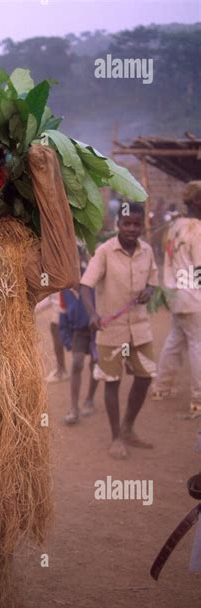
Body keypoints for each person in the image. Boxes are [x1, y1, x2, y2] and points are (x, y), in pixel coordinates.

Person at [80, 202, 158, 459]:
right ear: (118, 224)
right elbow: (85, 286)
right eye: (127, 224)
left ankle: (128, 427)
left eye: (137, 224)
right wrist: (92, 314)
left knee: (145, 376)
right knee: (111, 382)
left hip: (139, 328)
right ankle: (116, 438)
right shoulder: (104, 252)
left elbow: (153, 282)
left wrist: (149, 290)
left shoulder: (147, 251)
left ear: (142, 225)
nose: (132, 229)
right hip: (111, 330)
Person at [151, 181, 201, 419]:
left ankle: (162, 388)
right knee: (197, 344)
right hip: (193, 295)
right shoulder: (197, 229)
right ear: (197, 201)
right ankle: (198, 399)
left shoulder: (174, 227)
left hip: (174, 293)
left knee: (175, 340)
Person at [59, 248, 98, 425]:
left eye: (76, 259)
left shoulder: (92, 282)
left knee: (96, 364)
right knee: (77, 362)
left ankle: (89, 399)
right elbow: (62, 318)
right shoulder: (64, 289)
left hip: (96, 329)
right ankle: (74, 408)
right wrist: (67, 342)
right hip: (78, 332)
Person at [35, 293, 68, 382]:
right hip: (61, 307)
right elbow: (49, 297)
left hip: (65, 308)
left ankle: (61, 370)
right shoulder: (47, 281)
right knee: (55, 329)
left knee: (56, 330)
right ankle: (60, 369)